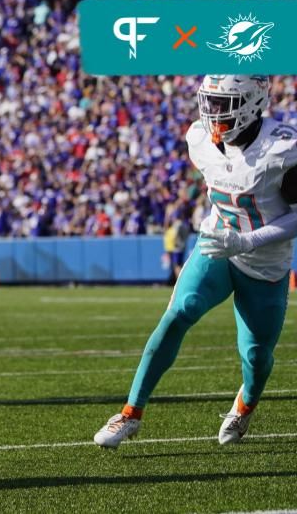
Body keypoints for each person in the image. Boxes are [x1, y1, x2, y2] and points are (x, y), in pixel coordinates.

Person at [94, 75, 297, 448]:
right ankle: (130, 413)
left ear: (252, 103)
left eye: (224, 104)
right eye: (211, 102)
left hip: (264, 262)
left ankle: (244, 406)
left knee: (255, 354)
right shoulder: (199, 139)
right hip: (217, 245)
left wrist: (247, 240)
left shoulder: (282, 149)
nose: (213, 113)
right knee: (179, 312)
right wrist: (231, 238)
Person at [163, 215, 190, 285]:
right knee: (179, 265)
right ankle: (180, 281)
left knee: (177, 265)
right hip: (182, 247)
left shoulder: (178, 225)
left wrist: (175, 241)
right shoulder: (184, 225)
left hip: (177, 248)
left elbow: (175, 235)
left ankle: (180, 282)